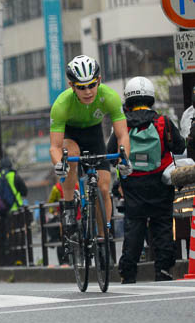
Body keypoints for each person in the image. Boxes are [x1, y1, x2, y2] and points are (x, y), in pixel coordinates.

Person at [106, 76, 186, 283]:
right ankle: (164, 269)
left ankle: (128, 272)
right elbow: (178, 147)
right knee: (162, 225)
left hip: (133, 184)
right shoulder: (164, 122)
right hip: (160, 182)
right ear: (150, 97)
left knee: (135, 226)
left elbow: (110, 154)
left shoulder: (122, 126)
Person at [50, 55, 131, 237]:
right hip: (71, 136)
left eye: (92, 85)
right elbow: (54, 146)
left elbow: (122, 135)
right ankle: (70, 205)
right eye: (81, 87)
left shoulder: (109, 96)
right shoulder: (61, 105)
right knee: (71, 153)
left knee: (103, 188)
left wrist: (124, 158)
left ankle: (104, 237)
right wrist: (58, 163)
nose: (88, 91)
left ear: (99, 81)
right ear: (72, 86)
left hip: (94, 137)